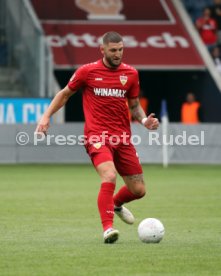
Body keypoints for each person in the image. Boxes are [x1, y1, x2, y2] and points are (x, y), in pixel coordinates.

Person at [35, 31, 159, 244]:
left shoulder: (131, 74)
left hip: (122, 138)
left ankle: (115, 204)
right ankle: (108, 229)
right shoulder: (87, 71)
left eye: (120, 50)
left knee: (138, 190)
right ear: (102, 50)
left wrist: (144, 121)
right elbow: (64, 93)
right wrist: (46, 117)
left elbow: (134, 105)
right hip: (97, 136)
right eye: (113, 50)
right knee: (109, 175)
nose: (118, 54)